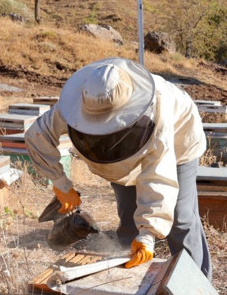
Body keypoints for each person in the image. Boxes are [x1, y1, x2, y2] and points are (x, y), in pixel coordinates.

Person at [25, 57, 212, 279]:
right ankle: (128, 285)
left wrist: (148, 235)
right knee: (129, 218)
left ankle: (196, 284)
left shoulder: (157, 113)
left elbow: (159, 179)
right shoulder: (77, 103)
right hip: (123, 159)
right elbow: (37, 135)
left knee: (180, 218)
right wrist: (61, 184)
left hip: (179, 142)